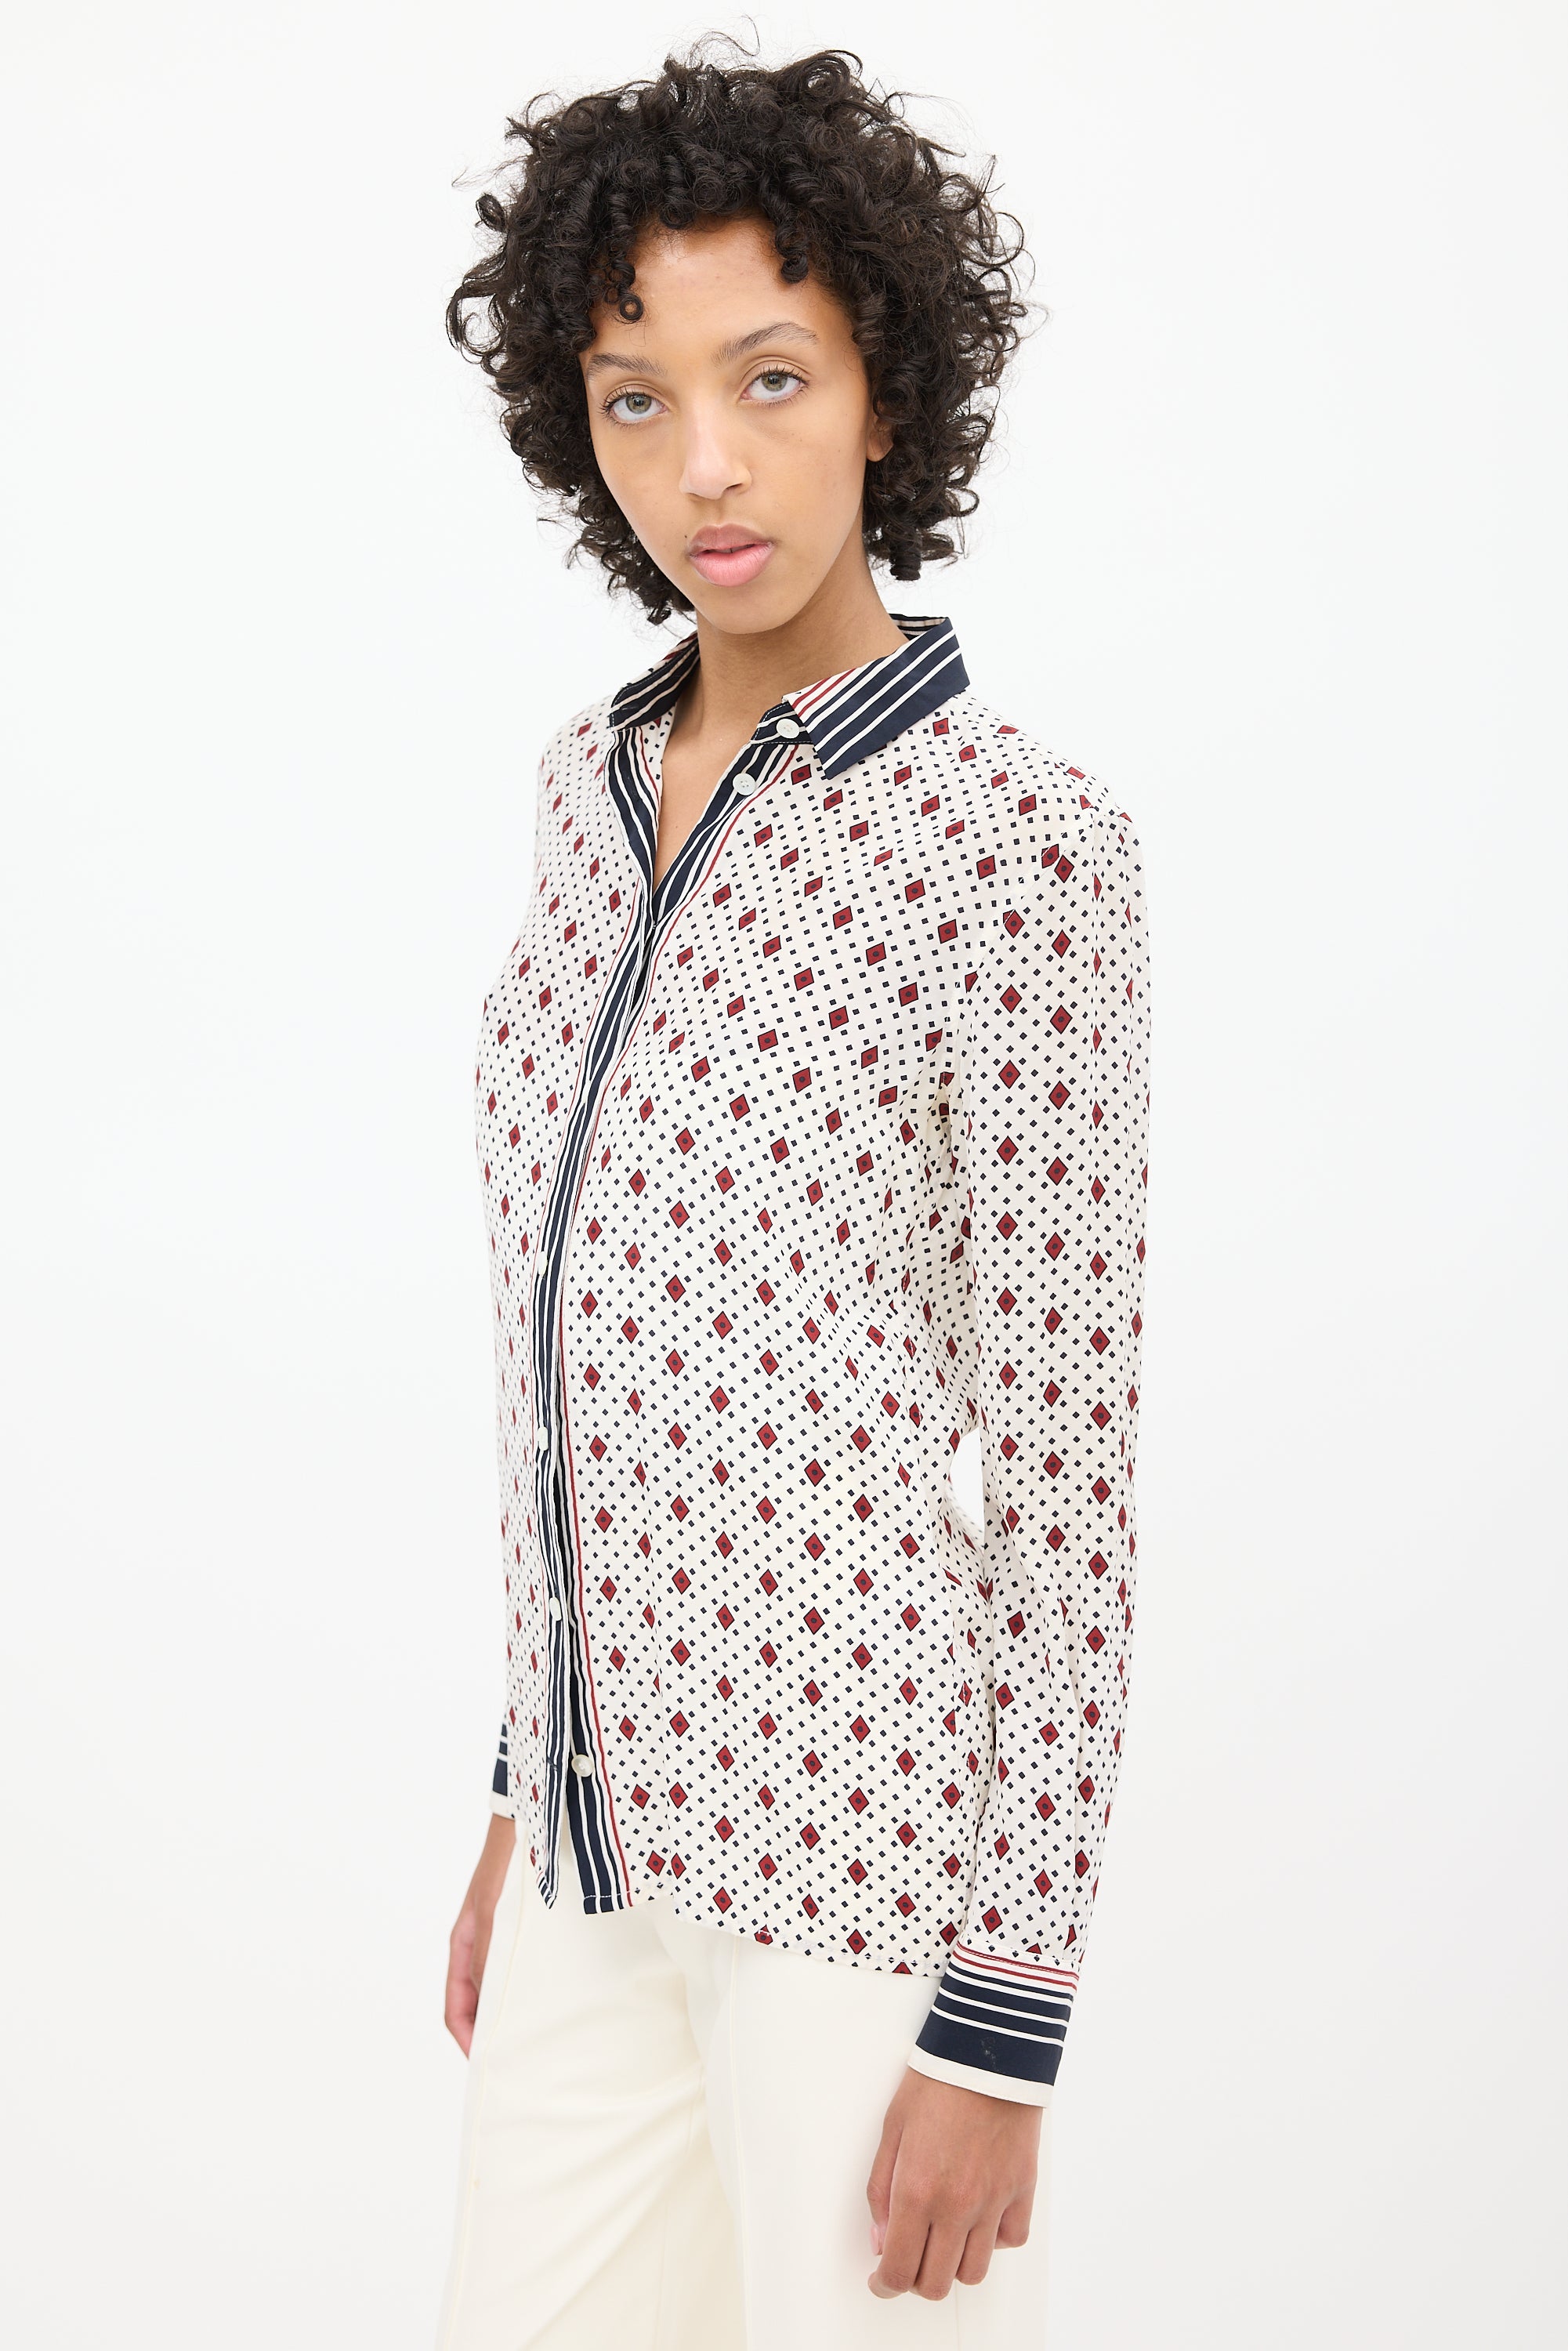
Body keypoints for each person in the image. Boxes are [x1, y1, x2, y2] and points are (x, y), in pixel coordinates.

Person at [434, 38, 1152, 2351]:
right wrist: (518, 1784)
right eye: (634, 401)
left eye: (768, 377)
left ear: (883, 392)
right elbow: (579, 1340)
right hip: (592, 1843)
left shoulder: (1017, 850)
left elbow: (1064, 1475)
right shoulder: (580, 792)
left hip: (858, 1860)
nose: (706, 465)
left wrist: (1001, 2028)